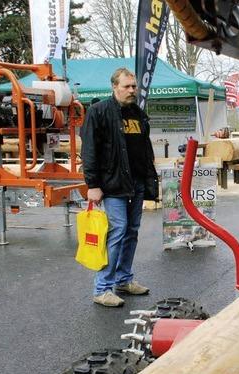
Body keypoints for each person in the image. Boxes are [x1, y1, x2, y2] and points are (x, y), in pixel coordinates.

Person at [81, 68, 159, 307]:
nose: (132, 90)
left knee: (132, 231)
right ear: (114, 86)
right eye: (126, 86)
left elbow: (144, 149)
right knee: (118, 230)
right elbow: (90, 150)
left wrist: (149, 180)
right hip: (111, 183)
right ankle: (102, 288)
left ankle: (123, 280)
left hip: (135, 182)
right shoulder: (99, 111)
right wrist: (92, 184)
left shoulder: (138, 114)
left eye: (134, 86)